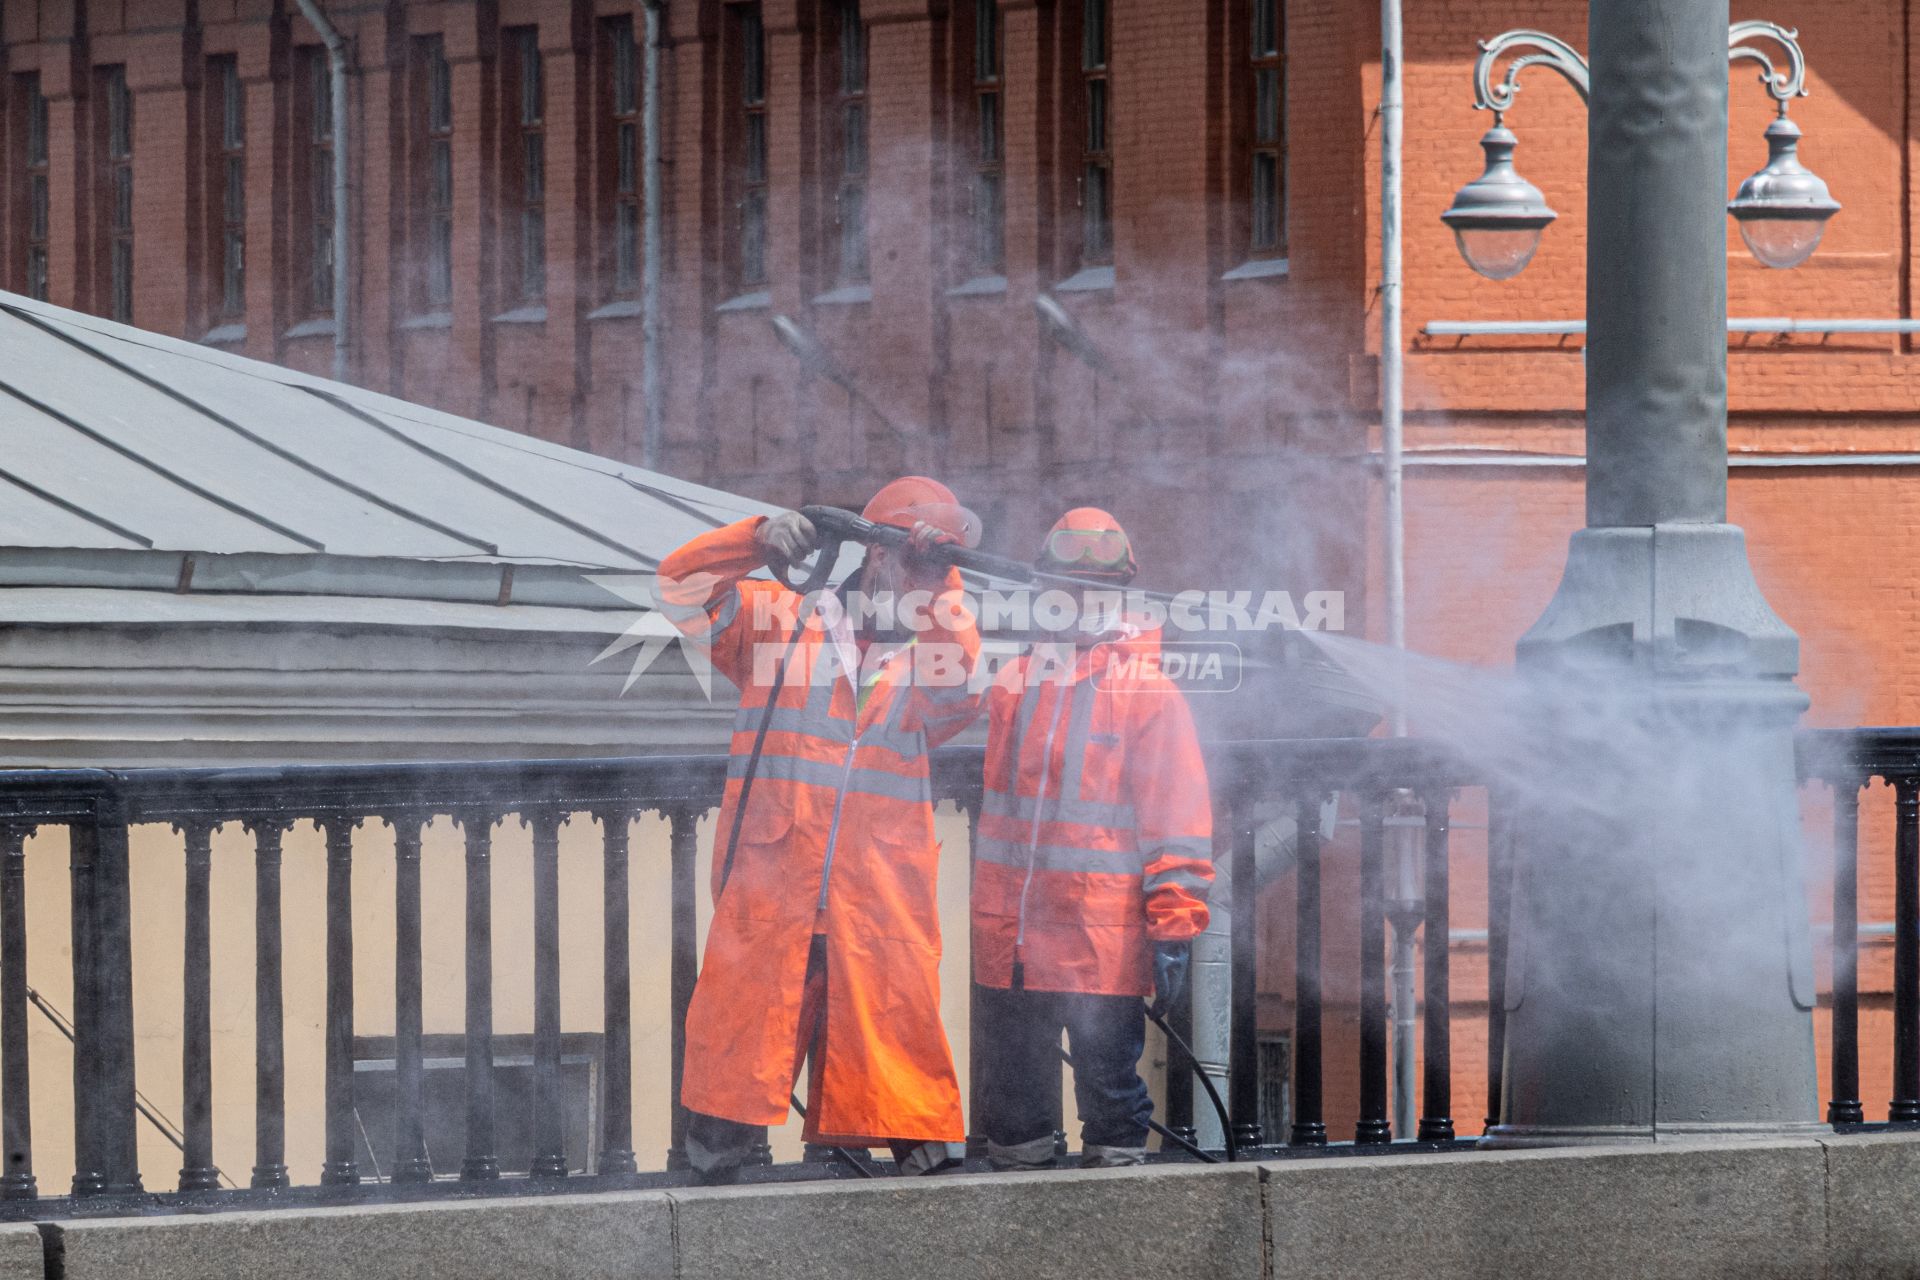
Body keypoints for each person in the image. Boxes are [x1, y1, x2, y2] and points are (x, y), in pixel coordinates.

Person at [656, 477, 984, 1184]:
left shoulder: (931, 654)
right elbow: (681, 586)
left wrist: (937, 582)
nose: (914, 583)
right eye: (906, 562)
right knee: (737, 1058)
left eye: (931, 571)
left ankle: (888, 1151)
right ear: (871, 558)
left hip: (875, 900)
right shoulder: (781, 621)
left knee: (891, 1062)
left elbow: (962, 689)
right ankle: (719, 1157)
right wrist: (753, 539)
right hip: (776, 887)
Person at [971, 508, 1214, 1169]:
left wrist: (1173, 929)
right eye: (1063, 585)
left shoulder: (1149, 694)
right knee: (1013, 1119)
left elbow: (1178, 823)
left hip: (1098, 945)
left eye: (1090, 588)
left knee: (1111, 1106)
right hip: (1015, 942)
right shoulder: (1015, 684)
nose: (1075, 601)